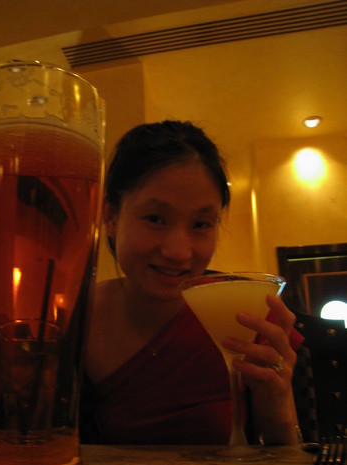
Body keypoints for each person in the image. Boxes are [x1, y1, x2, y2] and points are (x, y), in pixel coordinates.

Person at [80, 120, 302, 445]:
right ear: (111, 217)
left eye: (201, 224)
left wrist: (278, 408)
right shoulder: (74, 318)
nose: (179, 252)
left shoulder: (248, 313)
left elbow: (284, 456)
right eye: (155, 219)